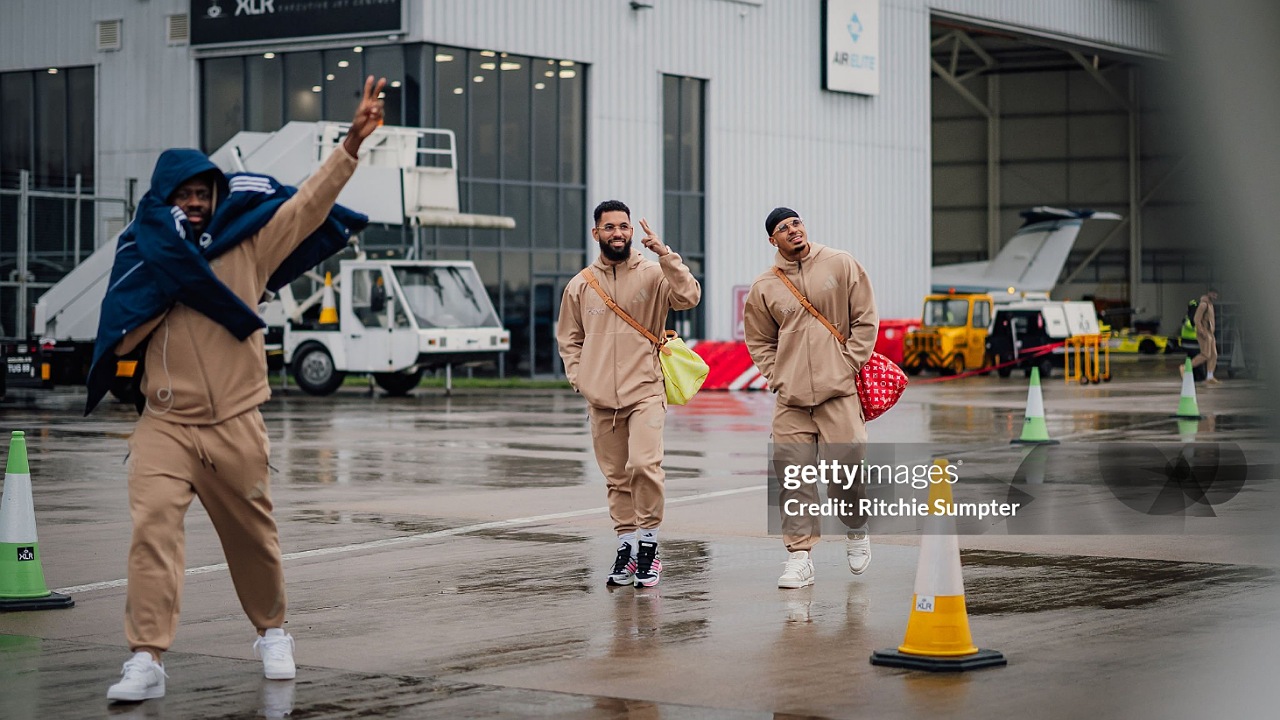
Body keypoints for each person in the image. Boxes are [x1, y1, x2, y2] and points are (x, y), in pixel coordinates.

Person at [89, 76, 387, 703]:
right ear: (164, 199)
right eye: (184, 195)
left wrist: (351, 144)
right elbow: (120, 334)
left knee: (254, 540)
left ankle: (272, 632)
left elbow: (306, 207)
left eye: (204, 193)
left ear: (217, 196)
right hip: (165, 423)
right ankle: (146, 657)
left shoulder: (247, 245)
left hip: (236, 421)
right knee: (152, 535)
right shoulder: (143, 255)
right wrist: (165, 286)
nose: (195, 203)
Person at [556, 200, 701, 589]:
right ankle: (627, 546)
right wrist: (581, 379)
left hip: (646, 390)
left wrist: (666, 255)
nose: (617, 233)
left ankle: (649, 544)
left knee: (643, 466)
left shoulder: (653, 273)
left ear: (632, 232)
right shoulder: (580, 285)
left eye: (623, 226)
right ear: (596, 233)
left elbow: (688, 297)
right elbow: (569, 339)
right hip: (600, 398)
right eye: (609, 227)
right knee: (616, 477)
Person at [743, 207, 879, 589]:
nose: (792, 230)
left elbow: (866, 318)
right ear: (772, 240)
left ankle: (856, 526)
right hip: (792, 399)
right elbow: (759, 339)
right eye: (783, 228)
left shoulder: (840, 263)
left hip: (839, 392)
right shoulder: (764, 286)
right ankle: (799, 557)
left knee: (846, 472)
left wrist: (847, 364)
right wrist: (778, 376)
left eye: (795, 223)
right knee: (793, 477)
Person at [1190, 287, 1221, 384]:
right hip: (1204, 333)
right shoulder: (1203, 305)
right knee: (1205, 354)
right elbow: (1196, 319)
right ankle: (1186, 367)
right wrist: (1202, 331)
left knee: (1213, 355)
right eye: (1213, 294)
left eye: (1216, 295)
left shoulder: (1210, 305)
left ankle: (1210, 377)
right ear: (1209, 293)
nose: (1215, 296)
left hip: (1210, 333)